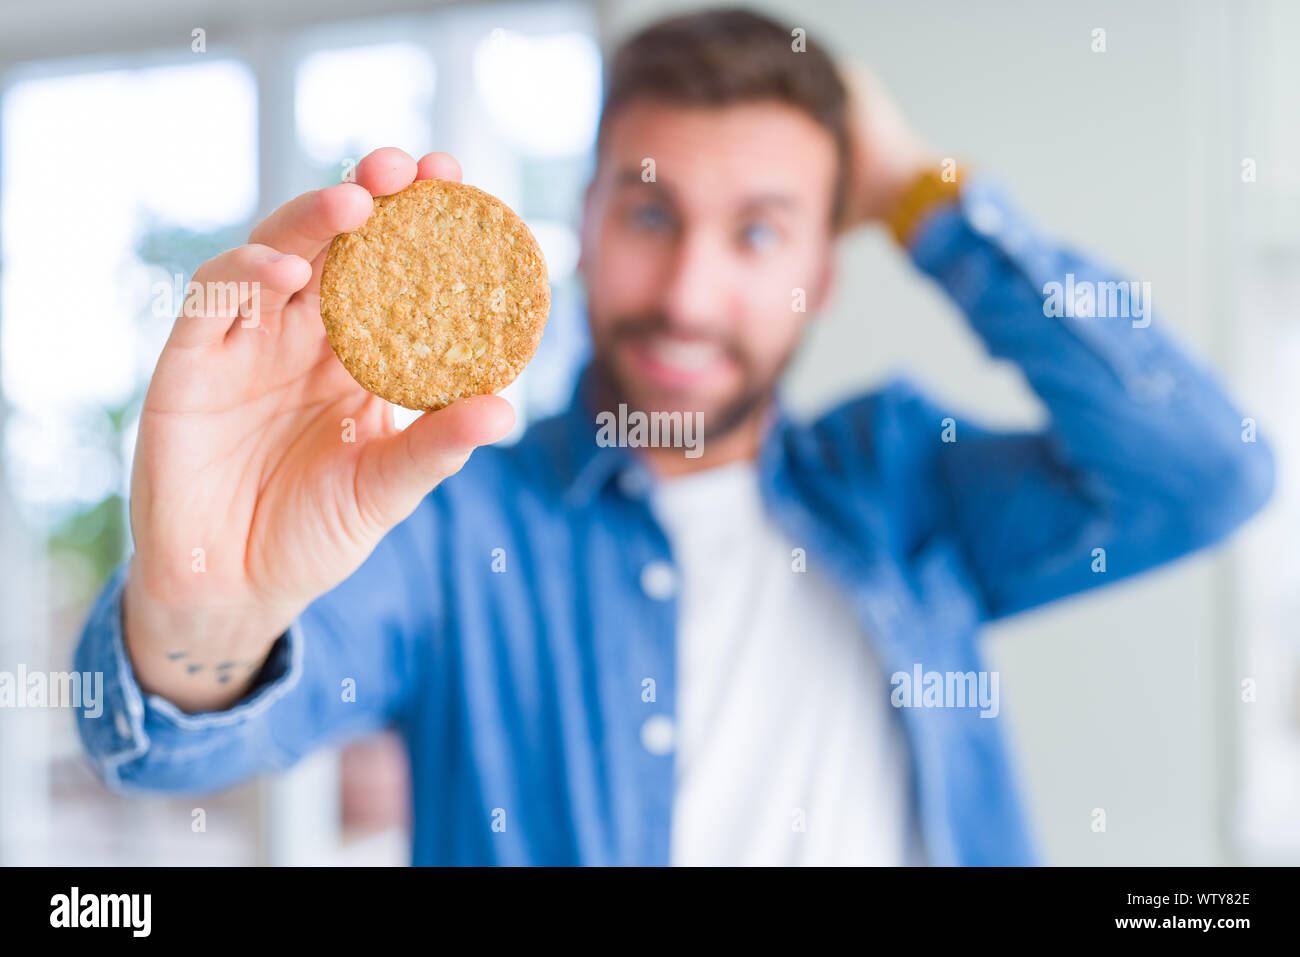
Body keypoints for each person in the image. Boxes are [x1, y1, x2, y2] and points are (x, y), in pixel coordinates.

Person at [74, 9, 1273, 865]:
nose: (691, 291)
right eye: (651, 211)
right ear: (585, 221)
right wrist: (203, 612)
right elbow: (169, 748)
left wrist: (921, 191)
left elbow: (1206, 474)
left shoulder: (910, 485)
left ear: (824, 266)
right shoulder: (448, 521)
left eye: (760, 232)